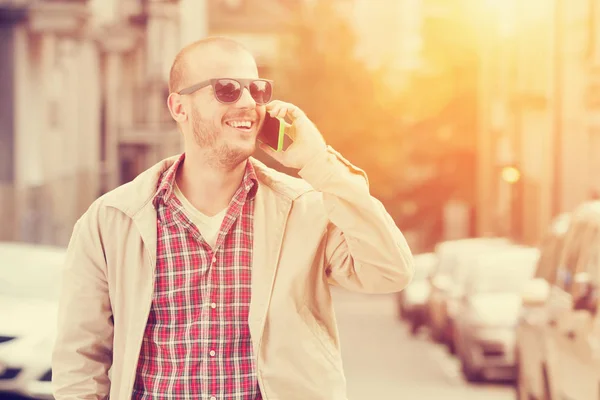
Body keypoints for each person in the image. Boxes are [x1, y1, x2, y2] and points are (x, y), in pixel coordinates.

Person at [52, 36, 414, 400]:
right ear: (179, 107)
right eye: (226, 89)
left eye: (256, 90)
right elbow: (80, 362)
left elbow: (389, 271)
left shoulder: (304, 209)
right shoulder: (112, 220)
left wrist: (317, 162)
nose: (248, 104)